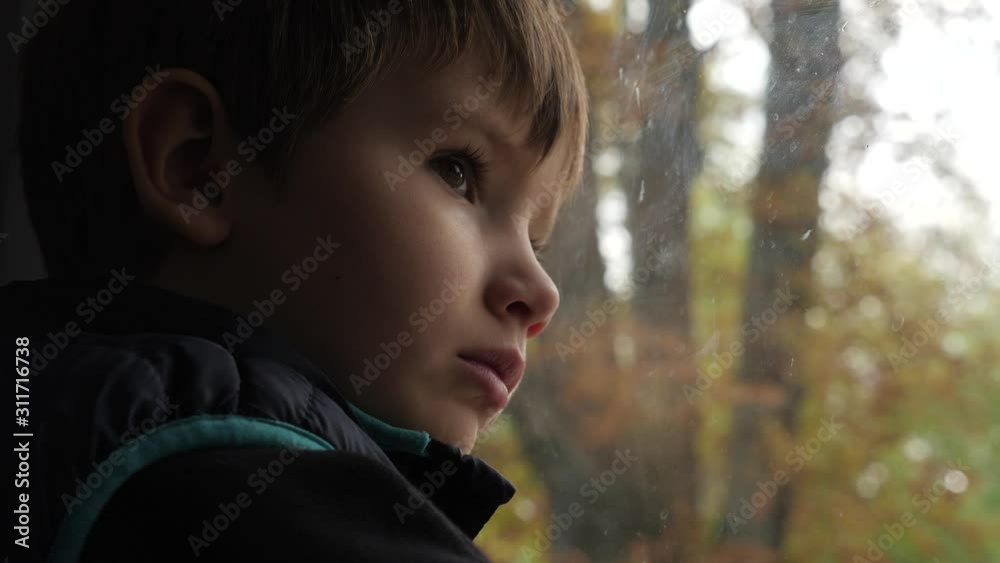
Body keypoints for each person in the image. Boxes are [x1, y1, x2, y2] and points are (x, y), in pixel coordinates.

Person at [3, 0, 589, 561]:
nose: (541, 292)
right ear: (201, 168)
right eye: (458, 172)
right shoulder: (233, 480)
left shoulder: (73, 427)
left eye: (536, 239)